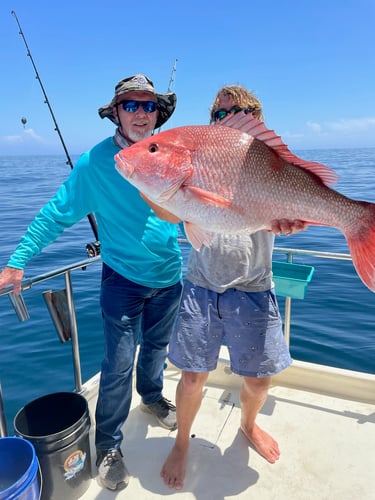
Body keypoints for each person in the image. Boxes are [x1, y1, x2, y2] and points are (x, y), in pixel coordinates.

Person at [0, 73, 183, 491]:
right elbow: (56, 213)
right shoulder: (95, 163)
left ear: (159, 113)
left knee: (157, 348)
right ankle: (109, 445)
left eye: (149, 105)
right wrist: (17, 261)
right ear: (116, 112)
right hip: (122, 280)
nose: (141, 113)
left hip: (171, 275)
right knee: (117, 365)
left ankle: (152, 395)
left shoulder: (173, 152)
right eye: (131, 105)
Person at [160, 85, 307, 490]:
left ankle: (248, 424)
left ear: (257, 120)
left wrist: (292, 219)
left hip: (254, 288)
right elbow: (171, 209)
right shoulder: (198, 164)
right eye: (221, 115)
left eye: (240, 112)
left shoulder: (272, 163)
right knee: (191, 378)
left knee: (259, 381)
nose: (229, 120)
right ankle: (182, 442)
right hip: (201, 285)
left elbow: (294, 203)